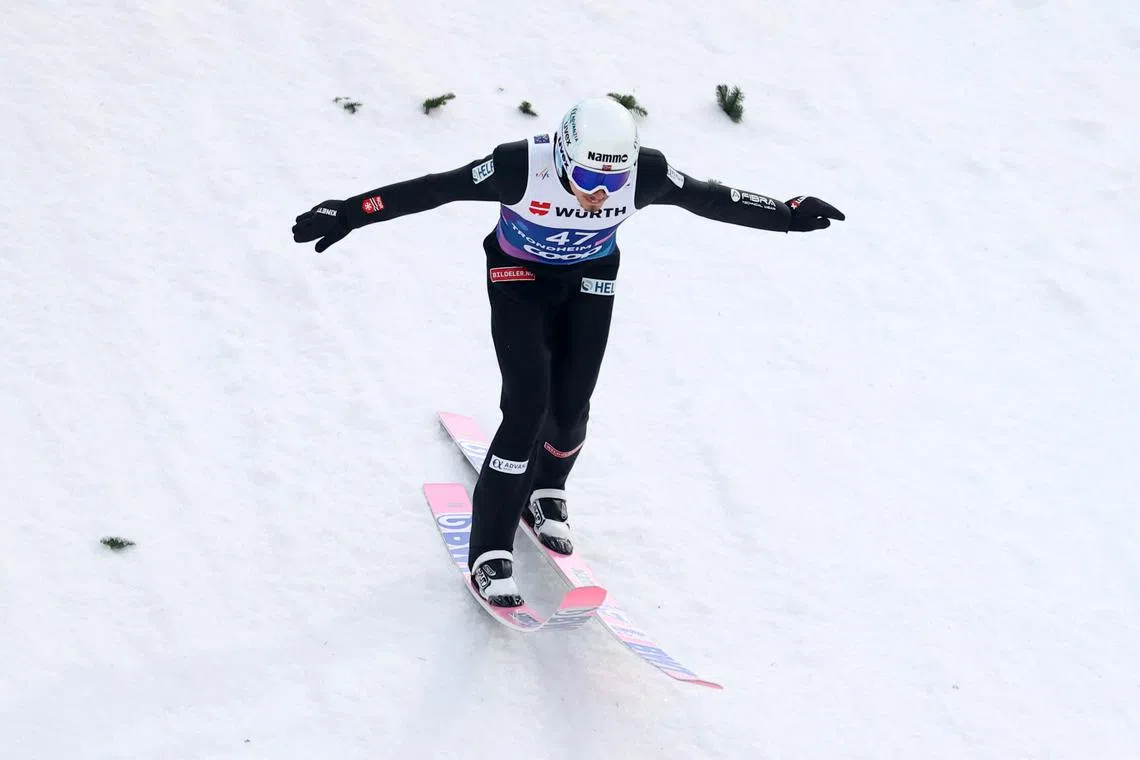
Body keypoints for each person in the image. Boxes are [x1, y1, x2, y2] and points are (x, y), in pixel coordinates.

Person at [293, 97, 845, 607]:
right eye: (585, 177)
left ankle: (547, 489)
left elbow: (707, 197)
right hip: (519, 277)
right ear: (561, 156)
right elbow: (437, 188)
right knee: (528, 408)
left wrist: (786, 213)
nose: (599, 192)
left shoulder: (646, 174)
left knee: (573, 406)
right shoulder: (518, 166)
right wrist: (349, 211)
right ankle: (490, 550)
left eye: (613, 179)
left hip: (590, 277)